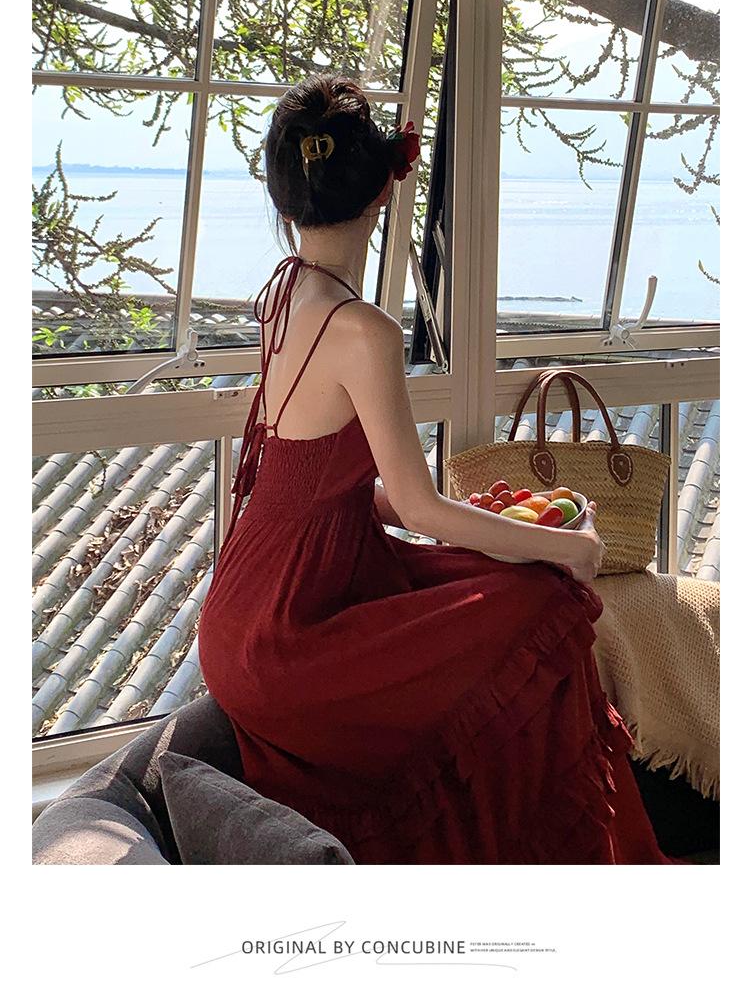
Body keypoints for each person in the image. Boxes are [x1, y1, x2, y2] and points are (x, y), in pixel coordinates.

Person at [198, 73, 672, 864]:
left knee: (508, 586)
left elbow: (333, 488)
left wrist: (486, 523)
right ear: (386, 190)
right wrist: (572, 548)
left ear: (284, 203)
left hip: (246, 608)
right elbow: (418, 509)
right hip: (293, 631)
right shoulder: (363, 330)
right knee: (543, 602)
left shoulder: (282, 296)